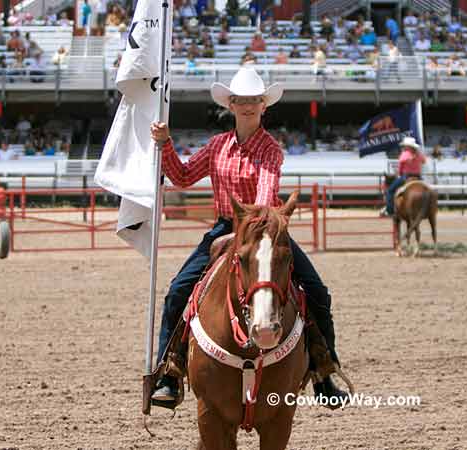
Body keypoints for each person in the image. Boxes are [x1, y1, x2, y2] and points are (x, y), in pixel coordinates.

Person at [149, 67, 348, 404]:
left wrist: (249, 230)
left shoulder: (271, 150)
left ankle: (323, 374)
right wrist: (165, 144)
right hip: (224, 227)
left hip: (264, 229)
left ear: (263, 105)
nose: (247, 106)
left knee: (316, 292)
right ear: (231, 104)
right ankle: (168, 372)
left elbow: (265, 197)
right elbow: (182, 176)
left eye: (254, 100)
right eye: (241, 100)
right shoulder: (217, 146)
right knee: (178, 292)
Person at [380, 136, 427, 216]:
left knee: (390, 191)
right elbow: (424, 162)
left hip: (406, 177)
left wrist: (400, 174)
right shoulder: (419, 154)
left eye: (405, 145)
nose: (404, 147)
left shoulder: (404, 154)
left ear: (407, 146)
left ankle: (390, 211)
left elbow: (400, 168)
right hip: (418, 177)